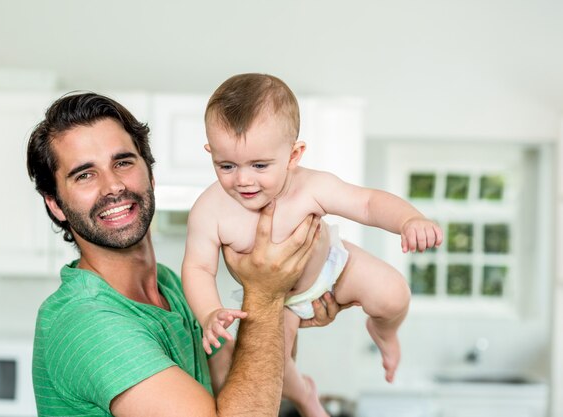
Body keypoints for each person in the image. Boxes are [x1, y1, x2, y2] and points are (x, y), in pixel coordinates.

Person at [26, 92, 345, 417]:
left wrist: (289, 299)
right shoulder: (87, 321)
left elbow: (243, 390)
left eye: (122, 162)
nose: (113, 186)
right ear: (55, 204)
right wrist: (265, 295)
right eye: (85, 175)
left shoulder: (169, 286)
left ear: (150, 174)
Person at [181, 73, 444, 417]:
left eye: (260, 165)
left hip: (335, 267)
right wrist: (209, 312)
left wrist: (409, 220)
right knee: (274, 370)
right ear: (210, 153)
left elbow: (366, 204)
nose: (243, 179)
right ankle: (307, 398)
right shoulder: (209, 209)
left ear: (293, 155)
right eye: (226, 165)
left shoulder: (311, 186)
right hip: (279, 302)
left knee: (394, 294)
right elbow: (198, 267)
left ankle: (384, 332)